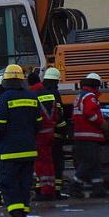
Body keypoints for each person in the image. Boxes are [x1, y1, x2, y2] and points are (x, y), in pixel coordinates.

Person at [0, 64, 41, 217]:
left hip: (9, 151)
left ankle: (16, 216)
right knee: (25, 184)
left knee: (9, 183)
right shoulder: (32, 97)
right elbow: (38, 124)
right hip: (29, 149)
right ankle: (23, 216)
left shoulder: (5, 98)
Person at [29, 70, 66, 200]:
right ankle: (50, 189)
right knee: (51, 162)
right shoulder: (51, 94)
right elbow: (59, 114)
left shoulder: (32, 95)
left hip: (40, 135)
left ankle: (45, 191)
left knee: (41, 163)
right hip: (52, 133)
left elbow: (33, 118)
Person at [71, 73, 109, 198]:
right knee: (90, 161)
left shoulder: (81, 96)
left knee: (95, 163)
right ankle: (75, 185)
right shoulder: (90, 97)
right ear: (95, 84)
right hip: (89, 135)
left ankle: (98, 188)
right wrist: (101, 123)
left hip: (82, 135)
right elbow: (89, 113)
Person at [42, 67, 69, 196]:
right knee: (57, 163)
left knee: (45, 163)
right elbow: (59, 115)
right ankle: (56, 190)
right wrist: (64, 131)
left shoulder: (40, 93)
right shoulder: (55, 94)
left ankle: (42, 189)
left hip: (43, 136)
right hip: (55, 135)